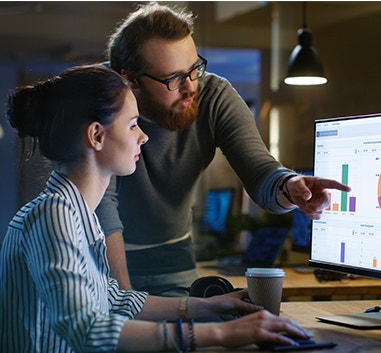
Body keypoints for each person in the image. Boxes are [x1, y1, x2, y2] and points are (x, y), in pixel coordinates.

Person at [0, 64, 312, 352]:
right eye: (133, 125)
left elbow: (113, 299)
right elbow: (88, 330)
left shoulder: (77, 214)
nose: (144, 136)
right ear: (97, 136)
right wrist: (224, 334)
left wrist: (211, 306)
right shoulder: (54, 216)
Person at [96, 2, 351, 294]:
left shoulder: (214, 96)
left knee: (199, 333)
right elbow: (103, 210)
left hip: (173, 256)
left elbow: (259, 170)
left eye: (194, 69)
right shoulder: (97, 98)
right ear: (129, 79)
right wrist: (126, 301)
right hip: (101, 256)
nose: (191, 87)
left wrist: (290, 184)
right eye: (173, 78)